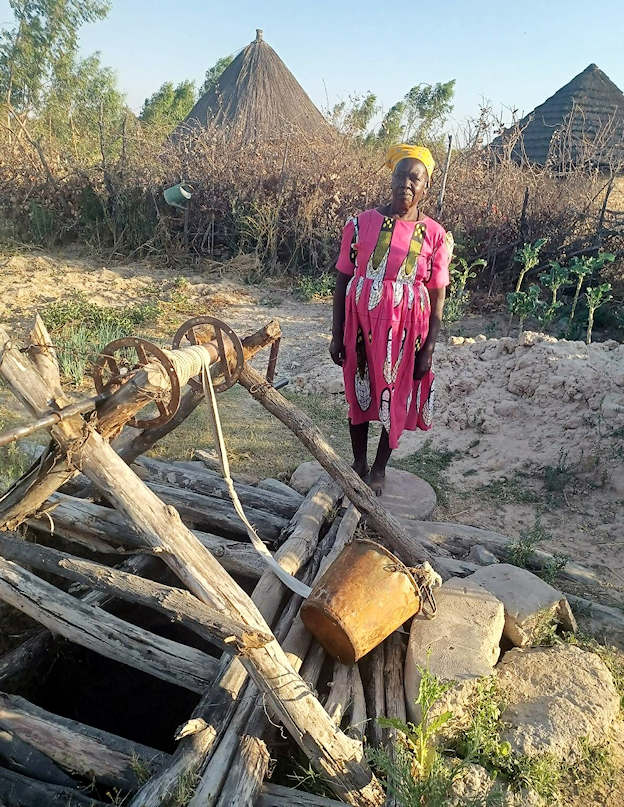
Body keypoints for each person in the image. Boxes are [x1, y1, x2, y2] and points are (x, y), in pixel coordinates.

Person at [330, 144, 453, 495]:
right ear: (391, 179)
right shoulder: (359, 224)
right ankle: (358, 461)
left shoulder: (435, 235)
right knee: (360, 391)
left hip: (405, 333)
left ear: (425, 188)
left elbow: (437, 295)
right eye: (400, 175)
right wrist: (336, 333)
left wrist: (428, 347)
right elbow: (342, 280)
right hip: (359, 327)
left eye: (415, 178)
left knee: (394, 395)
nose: (406, 183)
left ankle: (380, 468)